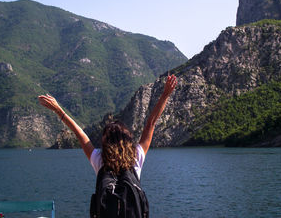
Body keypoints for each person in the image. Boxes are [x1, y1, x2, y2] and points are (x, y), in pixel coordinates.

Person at [38, 74, 177, 214]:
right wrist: (165, 95)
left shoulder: (99, 159)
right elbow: (151, 124)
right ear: (128, 139)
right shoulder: (136, 156)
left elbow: (78, 131)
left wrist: (58, 110)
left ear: (105, 141)